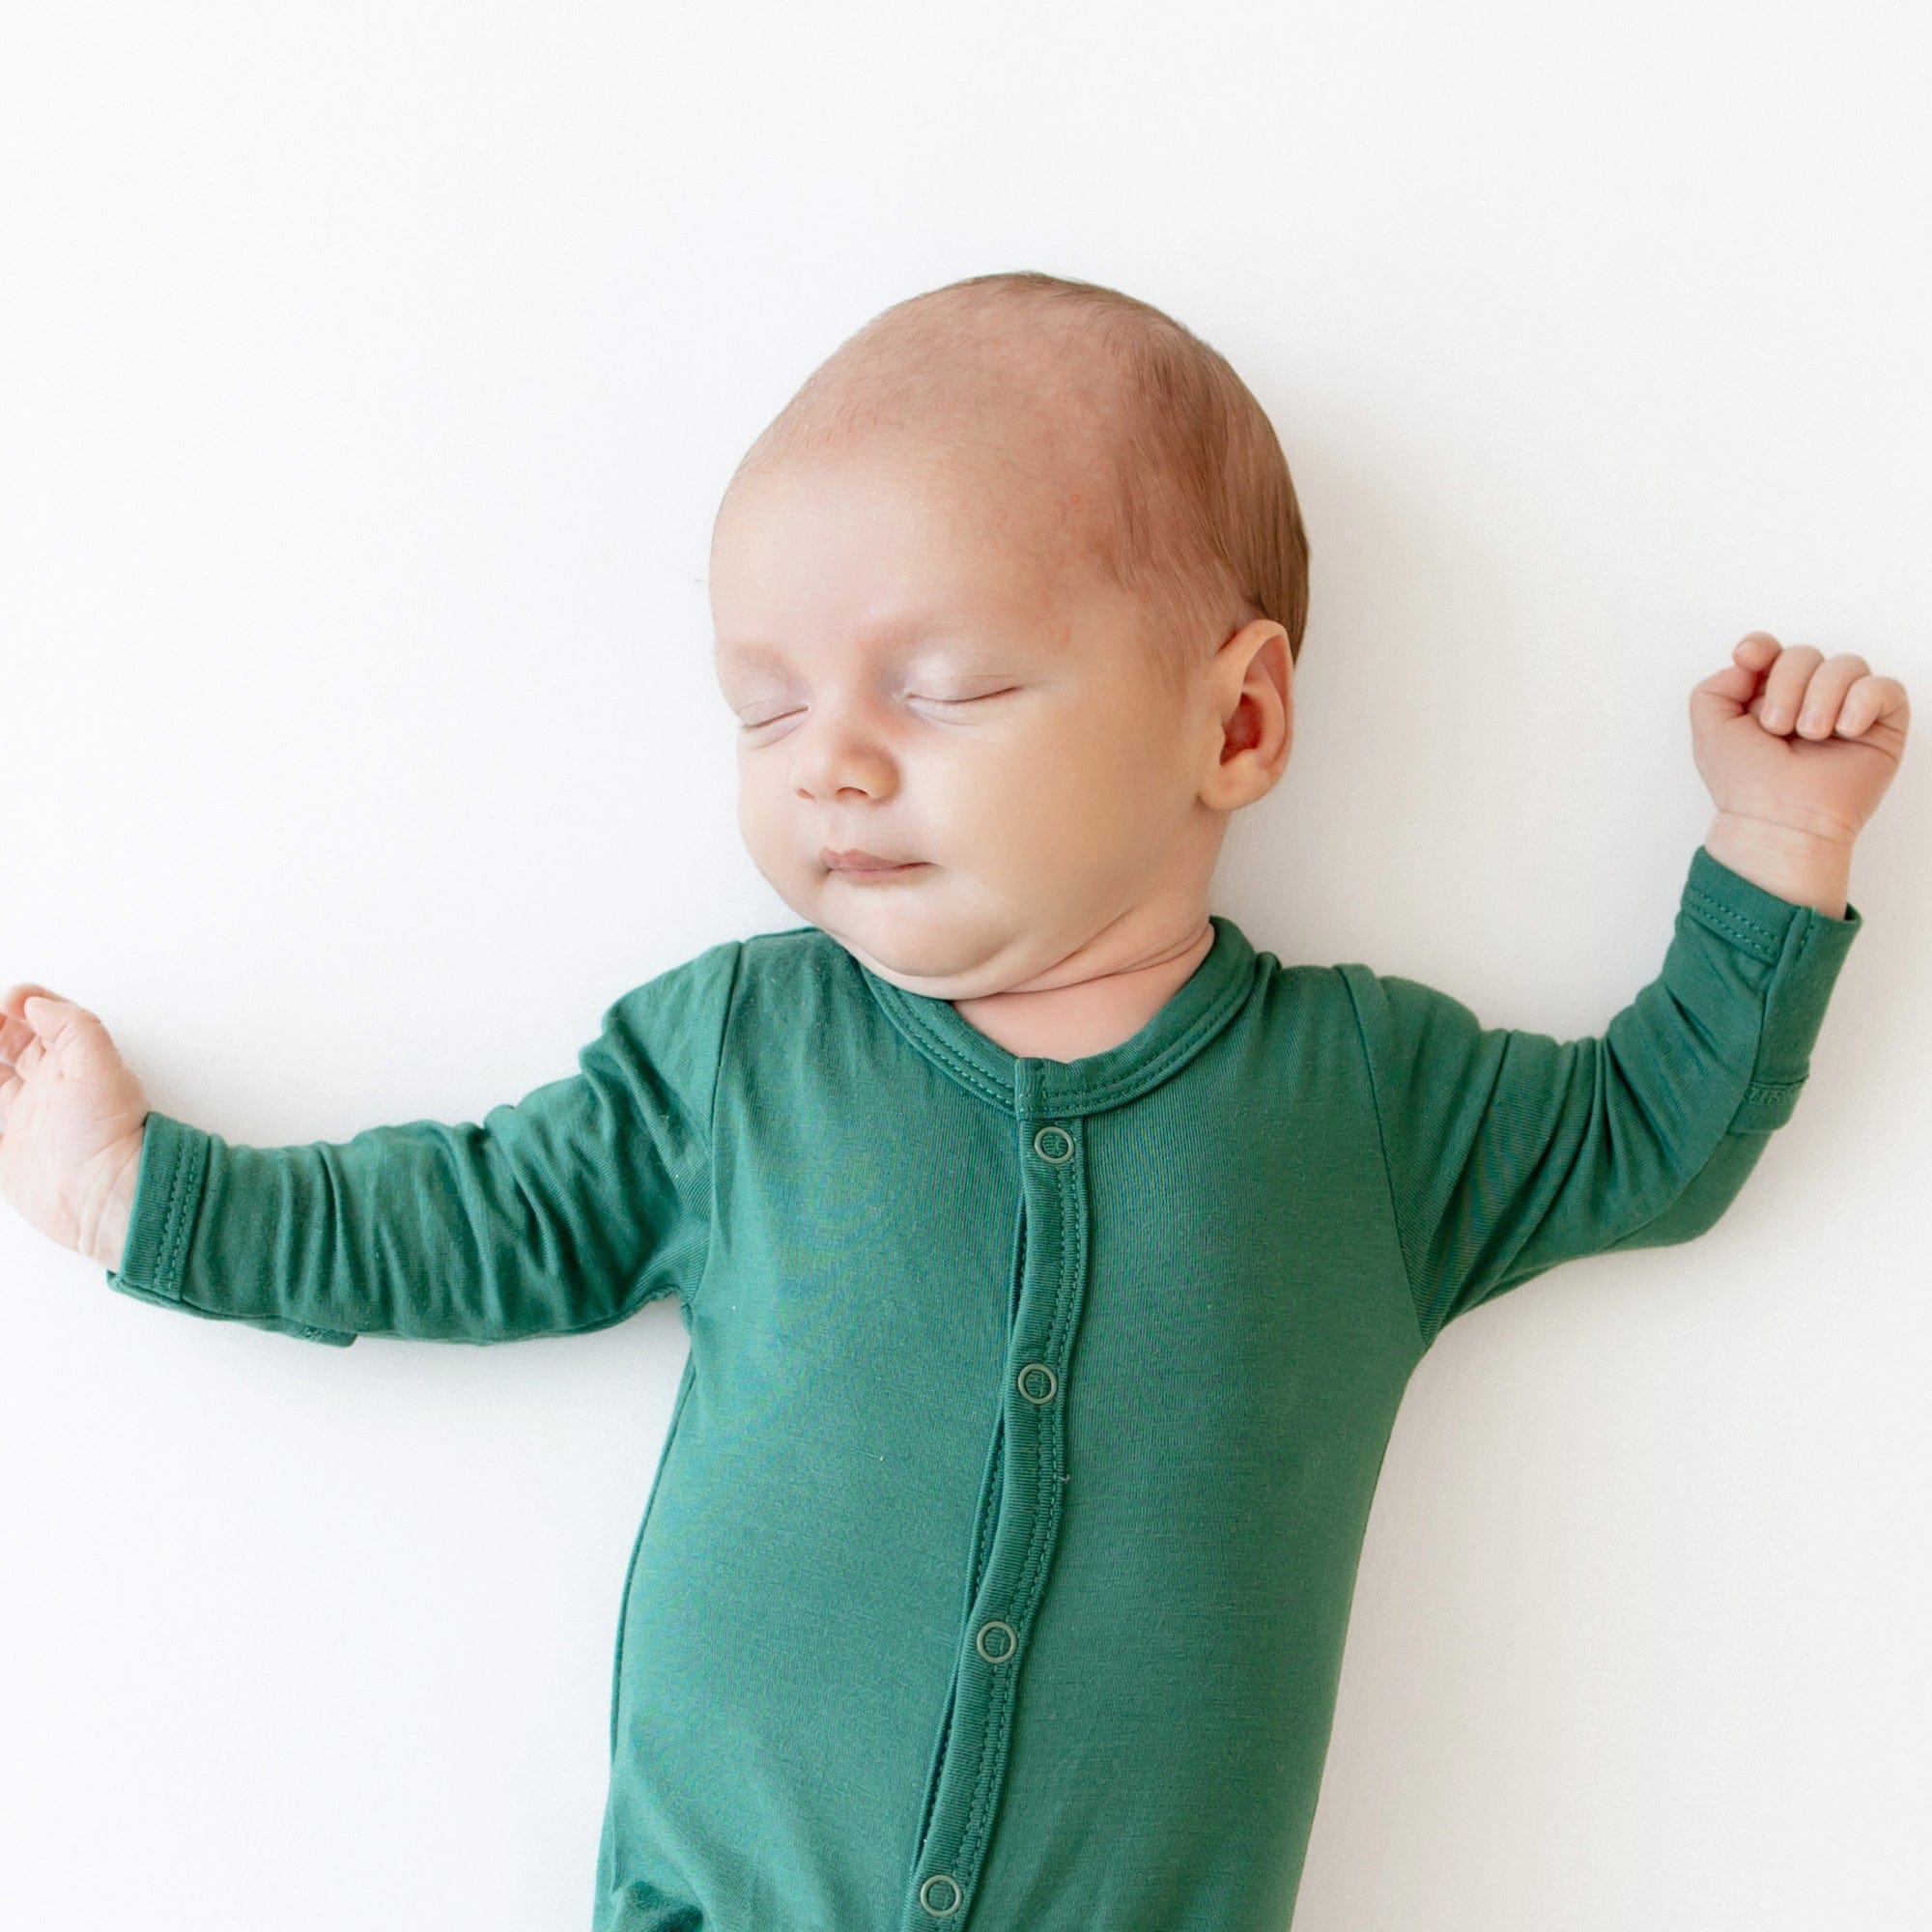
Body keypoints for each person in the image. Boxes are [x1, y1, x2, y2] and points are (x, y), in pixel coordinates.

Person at [0, 270, 1908, 1932]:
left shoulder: (1363, 1104)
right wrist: (129, 1190)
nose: (827, 764)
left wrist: (1772, 835)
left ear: (1231, 723)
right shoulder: (739, 1059)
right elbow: (469, 1222)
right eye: (763, 710)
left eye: (941, 686)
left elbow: (1648, 1138)